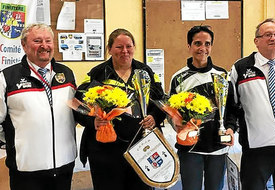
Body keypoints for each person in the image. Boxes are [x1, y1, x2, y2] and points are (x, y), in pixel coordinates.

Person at [75, 28, 166, 190]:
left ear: (134, 47)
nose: (125, 51)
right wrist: (92, 120)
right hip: (105, 151)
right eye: (119, 47)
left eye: (129, 46)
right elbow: (78, 104)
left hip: (141, 146)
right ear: (109, 49)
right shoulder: (97, 74)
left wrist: (154, 117)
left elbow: (161, 102)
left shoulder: (145, 72)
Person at [0, 24, 77, 190]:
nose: (44, 46)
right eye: (37, 41)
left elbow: (76, 112)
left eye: (48, 41)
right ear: (24, 46)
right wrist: (14, 144)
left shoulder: (67, 74)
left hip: (64, 165)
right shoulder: (7, 78)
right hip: (26, 169)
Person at [229, 18, 275, 190]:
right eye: (268, 35)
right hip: (256, 148)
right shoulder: (241, 68)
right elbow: (231, 105)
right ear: (256, 41)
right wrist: (229, 127)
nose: (273, 38)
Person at [168, 25, 236, 190]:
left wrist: (230, 128)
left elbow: (232, 109)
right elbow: (171, 112)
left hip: (218, 148)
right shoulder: (178, 78)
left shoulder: (222, 76)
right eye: (198, 43)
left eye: (207, 44)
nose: (203, 48)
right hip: (190, 150)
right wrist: (177, 124)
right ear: (189, 46)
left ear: (211, 46)